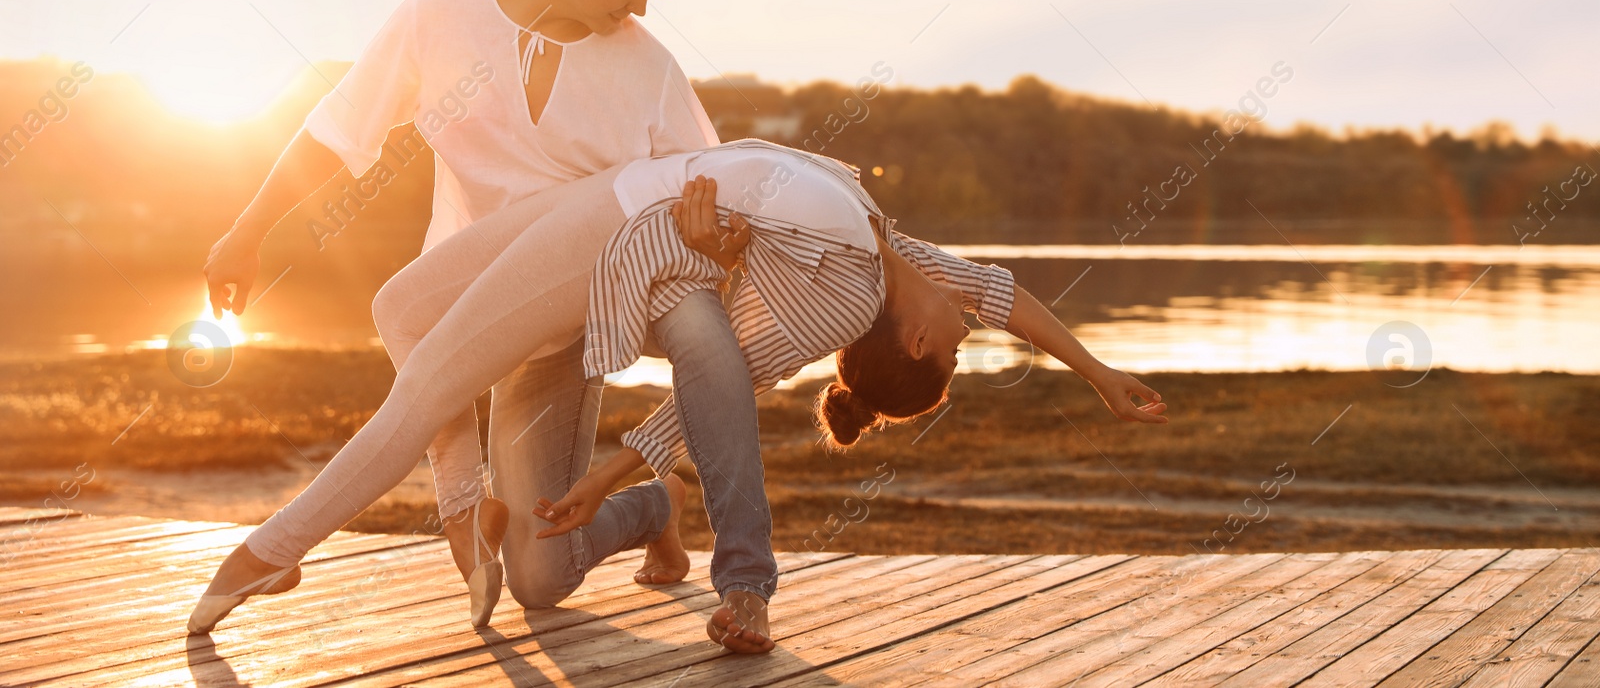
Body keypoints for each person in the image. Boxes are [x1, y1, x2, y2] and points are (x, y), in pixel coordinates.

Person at [190, 139, 1166, 654]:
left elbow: (707, 392)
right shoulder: (902, 253)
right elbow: (1010, 295)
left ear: (913, 341)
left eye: (960, 352)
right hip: (614, 190)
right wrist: (1099, 373)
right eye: (964, 340)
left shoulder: (840, 293)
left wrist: (614, 465)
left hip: (613, 248)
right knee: (402, 301)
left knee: (431, 396)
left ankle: (268, 552)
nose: (972, 331)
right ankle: (491, 505)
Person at [195, 0, 732, 632]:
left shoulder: (649, 70)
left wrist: (713, 238)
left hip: (561, 334)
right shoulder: (439, 15)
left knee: (541, 580)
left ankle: (656, 504)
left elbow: (696, 187)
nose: (640, 6)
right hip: (454, 303)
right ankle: (456, 508)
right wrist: (247, 230)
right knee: (404, 309)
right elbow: (337, 130)